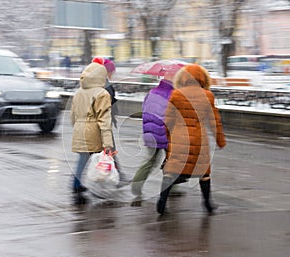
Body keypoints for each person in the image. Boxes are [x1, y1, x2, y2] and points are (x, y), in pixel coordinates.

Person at [156, 64, 226, 215]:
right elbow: (215, 121)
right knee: (204, 173)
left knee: (171, 171)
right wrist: (220, 140)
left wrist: (169, 140)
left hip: (178, 139)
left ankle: (162, 201)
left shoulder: (176, 95)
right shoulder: (207, 95)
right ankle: (207, 203)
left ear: (183, 77)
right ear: (203, 78)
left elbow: (168, 120)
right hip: (199, 141)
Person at [71, 61, 114, 204]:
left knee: (83, 159)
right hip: (93, 130)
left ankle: (77, 185)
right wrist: (108, 142)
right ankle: (85, 187)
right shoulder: (102, 94)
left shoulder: (78, 93)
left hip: (79, 128)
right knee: (97, 160)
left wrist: (78, 127)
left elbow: (73, 116)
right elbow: (104, 119)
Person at [130, 71, 175, 203]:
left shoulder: (151, 92)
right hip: (166, 133)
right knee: (172, 161)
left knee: (149, 161)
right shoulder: (172, 94)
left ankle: (136, 185)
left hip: (150, 132)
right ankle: (172, 188)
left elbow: (144, 108)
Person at [92, 57, 130, 184]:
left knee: (106, 151)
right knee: (107, 150)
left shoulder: (101, 82)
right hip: (102, 123)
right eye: (112, 71)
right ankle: (116, 177)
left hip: (100, 122)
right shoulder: (104, 84)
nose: (113, 73)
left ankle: (117, 176)